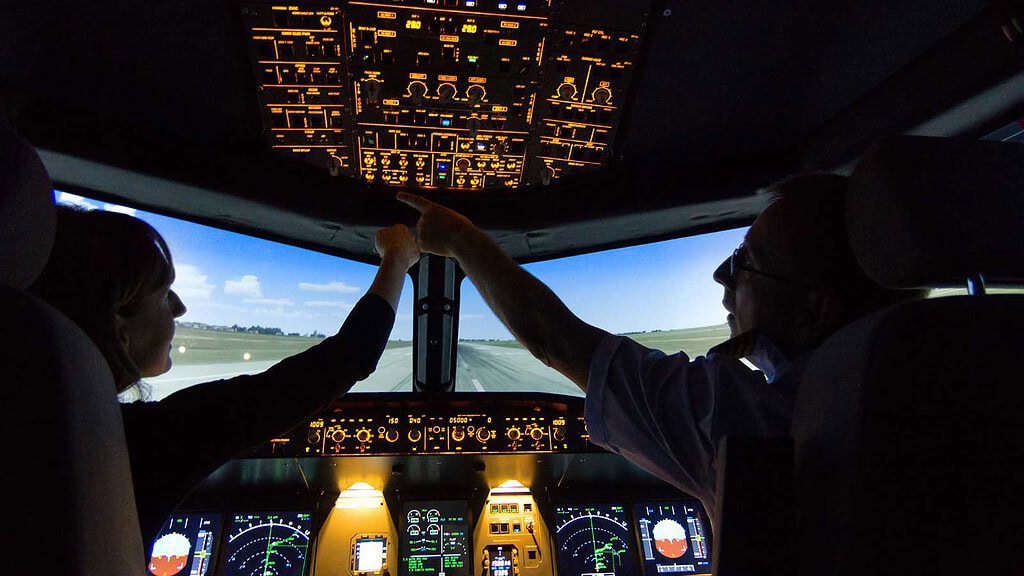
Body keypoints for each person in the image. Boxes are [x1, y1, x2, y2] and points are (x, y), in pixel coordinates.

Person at [397, 174, 924, 521]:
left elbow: (553, 338)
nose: (722, 277)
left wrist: (460, 238)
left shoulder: (753, 418)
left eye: (746, 262)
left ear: (815, 311)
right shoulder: (945, 398)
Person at [29, 205, 420, 547]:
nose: (179, 308)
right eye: (163, 294)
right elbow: (346, 358)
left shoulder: (36, 434)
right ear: (120, 329)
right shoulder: (145, 441)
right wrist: (397, 258)